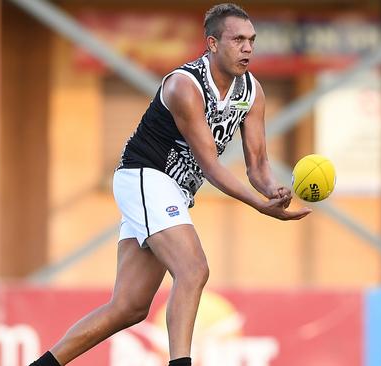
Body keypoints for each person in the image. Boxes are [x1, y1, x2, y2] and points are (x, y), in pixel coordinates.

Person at [30, 3, 311, 366]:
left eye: (252, 40)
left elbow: (257, 164)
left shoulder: (251, 92)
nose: (247, 48)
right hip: (144, 176)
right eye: (237, 39)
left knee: (128, 308)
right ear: (212, 43)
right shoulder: (185, 85)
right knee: (194, 269)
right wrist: (257, 205)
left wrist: (272, 190)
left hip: (169, 190)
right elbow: (210, 165)